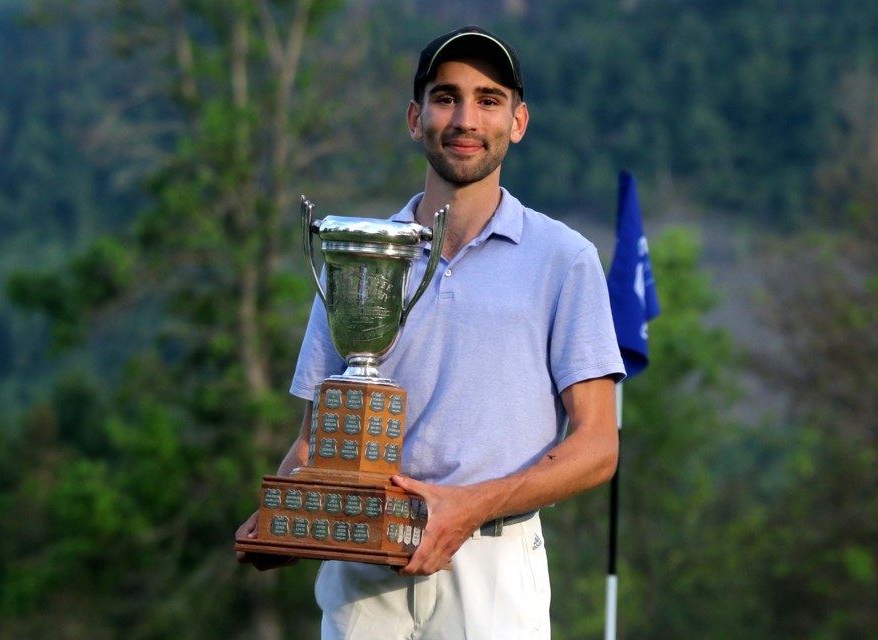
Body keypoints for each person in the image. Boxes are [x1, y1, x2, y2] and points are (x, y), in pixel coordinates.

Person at [236, 25, 626, 639]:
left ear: (517, 122)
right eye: (446, 98)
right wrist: (283, 515)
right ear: (415, 118)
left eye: (488, 99)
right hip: (365, 570)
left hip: (491, 566)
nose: (465, 118)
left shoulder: (563, 258)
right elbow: (316, 441)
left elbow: (599, 446)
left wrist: (467, 508)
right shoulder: (357, 255)